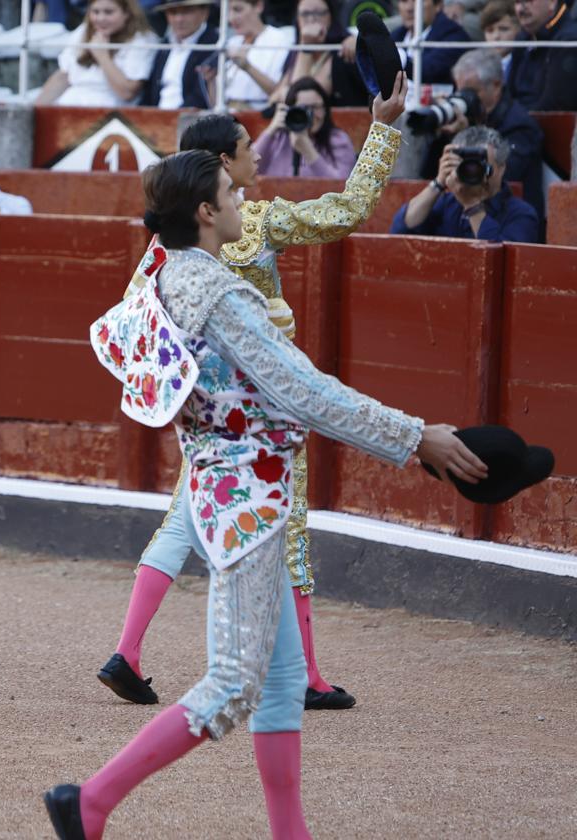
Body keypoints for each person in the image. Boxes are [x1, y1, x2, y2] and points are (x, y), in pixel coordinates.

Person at [45, 148, 486, 840]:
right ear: (205, 211)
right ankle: (91, 802)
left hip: (224, 479)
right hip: (246, 493)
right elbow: (303, 390)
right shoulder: (218, 293)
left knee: (280, 684)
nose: (242, 199)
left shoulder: (160, 269)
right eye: (230, 190)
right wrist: (413, 437)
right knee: (233, 684)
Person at [101, 74, 411, 716]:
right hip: (264, 407)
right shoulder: (260, 222)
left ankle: (127, 652)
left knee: (183, 522)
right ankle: (308, 676)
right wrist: (382, 130)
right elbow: (347, 212)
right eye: (247, 145)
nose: (260, 152)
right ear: (221, 167)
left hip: (204, 411)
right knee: (289, 526)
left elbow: (134, 319)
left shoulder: (164, 248)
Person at [418, 48, 544, 220]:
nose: (465, 98)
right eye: (460, 91)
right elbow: (425, 173)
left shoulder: (520, 126)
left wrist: (465, 135)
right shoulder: (458, 117)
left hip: (508, 218)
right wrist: (442, 135)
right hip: (459, 214)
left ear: (496, 85)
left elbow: (499, 179)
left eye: (472, 92)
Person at [391, 125, 540, 243]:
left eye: (481, 165)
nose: (473, 172)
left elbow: (498, 260)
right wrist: (439, 182)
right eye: (465, 165)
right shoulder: (447, 203)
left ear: (501, 167)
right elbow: (399, 232)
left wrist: (471, 205)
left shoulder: (522, 214)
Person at [37, 0, 156, 107]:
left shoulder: (142, 40)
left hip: (110, 115)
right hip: (69, 108)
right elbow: (63, 77)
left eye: (108, 12)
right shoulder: (82, 32)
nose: (100, 18)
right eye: (95, 12)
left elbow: (127, 93)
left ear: (127, 13)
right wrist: (35, 109)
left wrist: (102, 56)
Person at [270, 0, 368, 108]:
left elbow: (299, 99)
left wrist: (307, 45)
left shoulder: (343, 50)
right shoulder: (295, 50)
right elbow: (274, 99)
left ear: (331, 15)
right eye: (305, 14)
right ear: (297, 18)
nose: (312, 20)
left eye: (319, 13)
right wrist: (305, 46)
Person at [255, 78, 357, 178]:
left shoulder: (338, 140)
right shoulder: (278, 138)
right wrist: (271, 130)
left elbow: (341, 187)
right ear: (291, 111)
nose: (310, 115)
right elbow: (250, 168)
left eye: (315, 107)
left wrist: (308, 150)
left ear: (325, 109)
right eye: (303, 108)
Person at [210, 0, 294, 110]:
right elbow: (216, 101)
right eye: (227, 11)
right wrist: (210, 79)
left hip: (260, 115)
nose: (231, 18)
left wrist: (248, 67)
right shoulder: (233, 42)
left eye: (238, 10)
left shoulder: (280, 40)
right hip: (228, 115)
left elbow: (279, 93)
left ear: (259, 6)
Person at [140, 0, 219, 110]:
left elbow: (200, 97)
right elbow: (149, 91)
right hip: (157, 120)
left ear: (204, 13)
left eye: (187, 12)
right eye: (173, 12)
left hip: (192, 121)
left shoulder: (215, 46)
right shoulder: (164, 45)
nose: (179, 19)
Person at [507, 0, 577, 111]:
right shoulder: (522, 38)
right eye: (517, 2)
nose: (521, 9)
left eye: (528, 1)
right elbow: (509, 94)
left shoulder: (569, 41)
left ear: (552, 2)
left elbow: (553, 107)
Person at [390, 0, 470, 85]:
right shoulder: (395, 36)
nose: (409, 8)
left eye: (417, 1)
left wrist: (396, 57)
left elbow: (427, 71)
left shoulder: (453, 34)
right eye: (404, 1)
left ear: (438, 5)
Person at [480, 0, 521, 81]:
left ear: (519, 29)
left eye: (503, 29)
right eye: (490, 31)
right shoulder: (478, 64)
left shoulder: (523, 65)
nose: (496, 36)